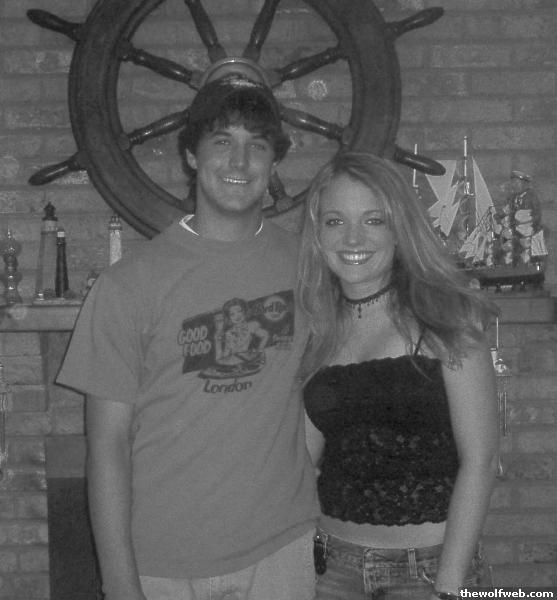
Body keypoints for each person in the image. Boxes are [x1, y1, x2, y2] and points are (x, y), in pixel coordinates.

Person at [56, 73, 318, 600]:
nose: (239, 162)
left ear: (274, 163)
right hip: (161, 565)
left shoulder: (308, 268)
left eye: (257, 145)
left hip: (281, 553)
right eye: (222, 142)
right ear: (192, 155)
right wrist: (119, 580)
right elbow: (107, 445)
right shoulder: (126, 285)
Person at [297, 152, 499, 600]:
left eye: (374, 220)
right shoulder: (314, 328)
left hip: (430, 569)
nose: (353, 237)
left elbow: (481, 462)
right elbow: (304, 464)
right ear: (318, 233)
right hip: (333, 568)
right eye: (335, 221)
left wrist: (448, 586)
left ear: (399, 228)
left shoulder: (446, 317)